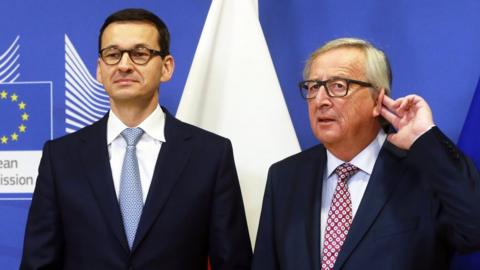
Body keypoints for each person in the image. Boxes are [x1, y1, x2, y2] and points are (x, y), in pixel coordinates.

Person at [20, 8, 251, 269]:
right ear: (99, 70)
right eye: (113, 54)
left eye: (140, 54)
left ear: (166, 67)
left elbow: (233, 263)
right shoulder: (60, 158)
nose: (124, 65)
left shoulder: (210, 154)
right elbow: (38, 263)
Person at [251, 37, 480, 270]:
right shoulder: (286, 177)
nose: (320, 100)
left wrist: (426, 137)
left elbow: (475, 230)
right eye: (312, 87)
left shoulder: (425, 170)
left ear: (377, 99)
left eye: (338, 86)